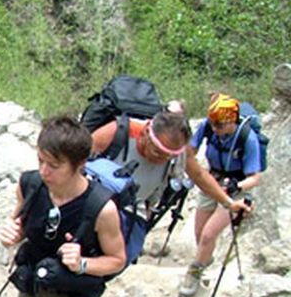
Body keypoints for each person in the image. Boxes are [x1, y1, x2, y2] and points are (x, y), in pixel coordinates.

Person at [90, 105, 251, 277]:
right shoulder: (117, 131)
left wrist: (229, 203)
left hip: (134, 212)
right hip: (95, 206)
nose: (162, 160)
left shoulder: (180, 149)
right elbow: (73, 160)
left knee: (116, 265)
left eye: (169, 156)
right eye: (158, 152)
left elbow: (199, 176)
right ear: (146, 133)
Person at [0, 116, 126, 297]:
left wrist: (82, 264)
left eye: (54, 165)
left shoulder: (101, 208)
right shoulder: (29, 185)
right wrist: (12, 233)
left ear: (80, 164)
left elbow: (117, 260)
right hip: (31, 289)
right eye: (41, 161)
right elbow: (19, 223)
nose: (44, 171)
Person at [177, 93, 261, 297]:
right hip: (211, 180)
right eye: (213, 124)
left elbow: (255, 177)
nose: (215, 129)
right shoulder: (208, 125)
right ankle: (205, 259)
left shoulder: (247, 138)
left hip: (237, 189)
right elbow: (191, 151)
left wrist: (236, 185)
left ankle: (194, 273)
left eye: (220, 126)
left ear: (232, 120)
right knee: (199, 233)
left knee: (208, 235)